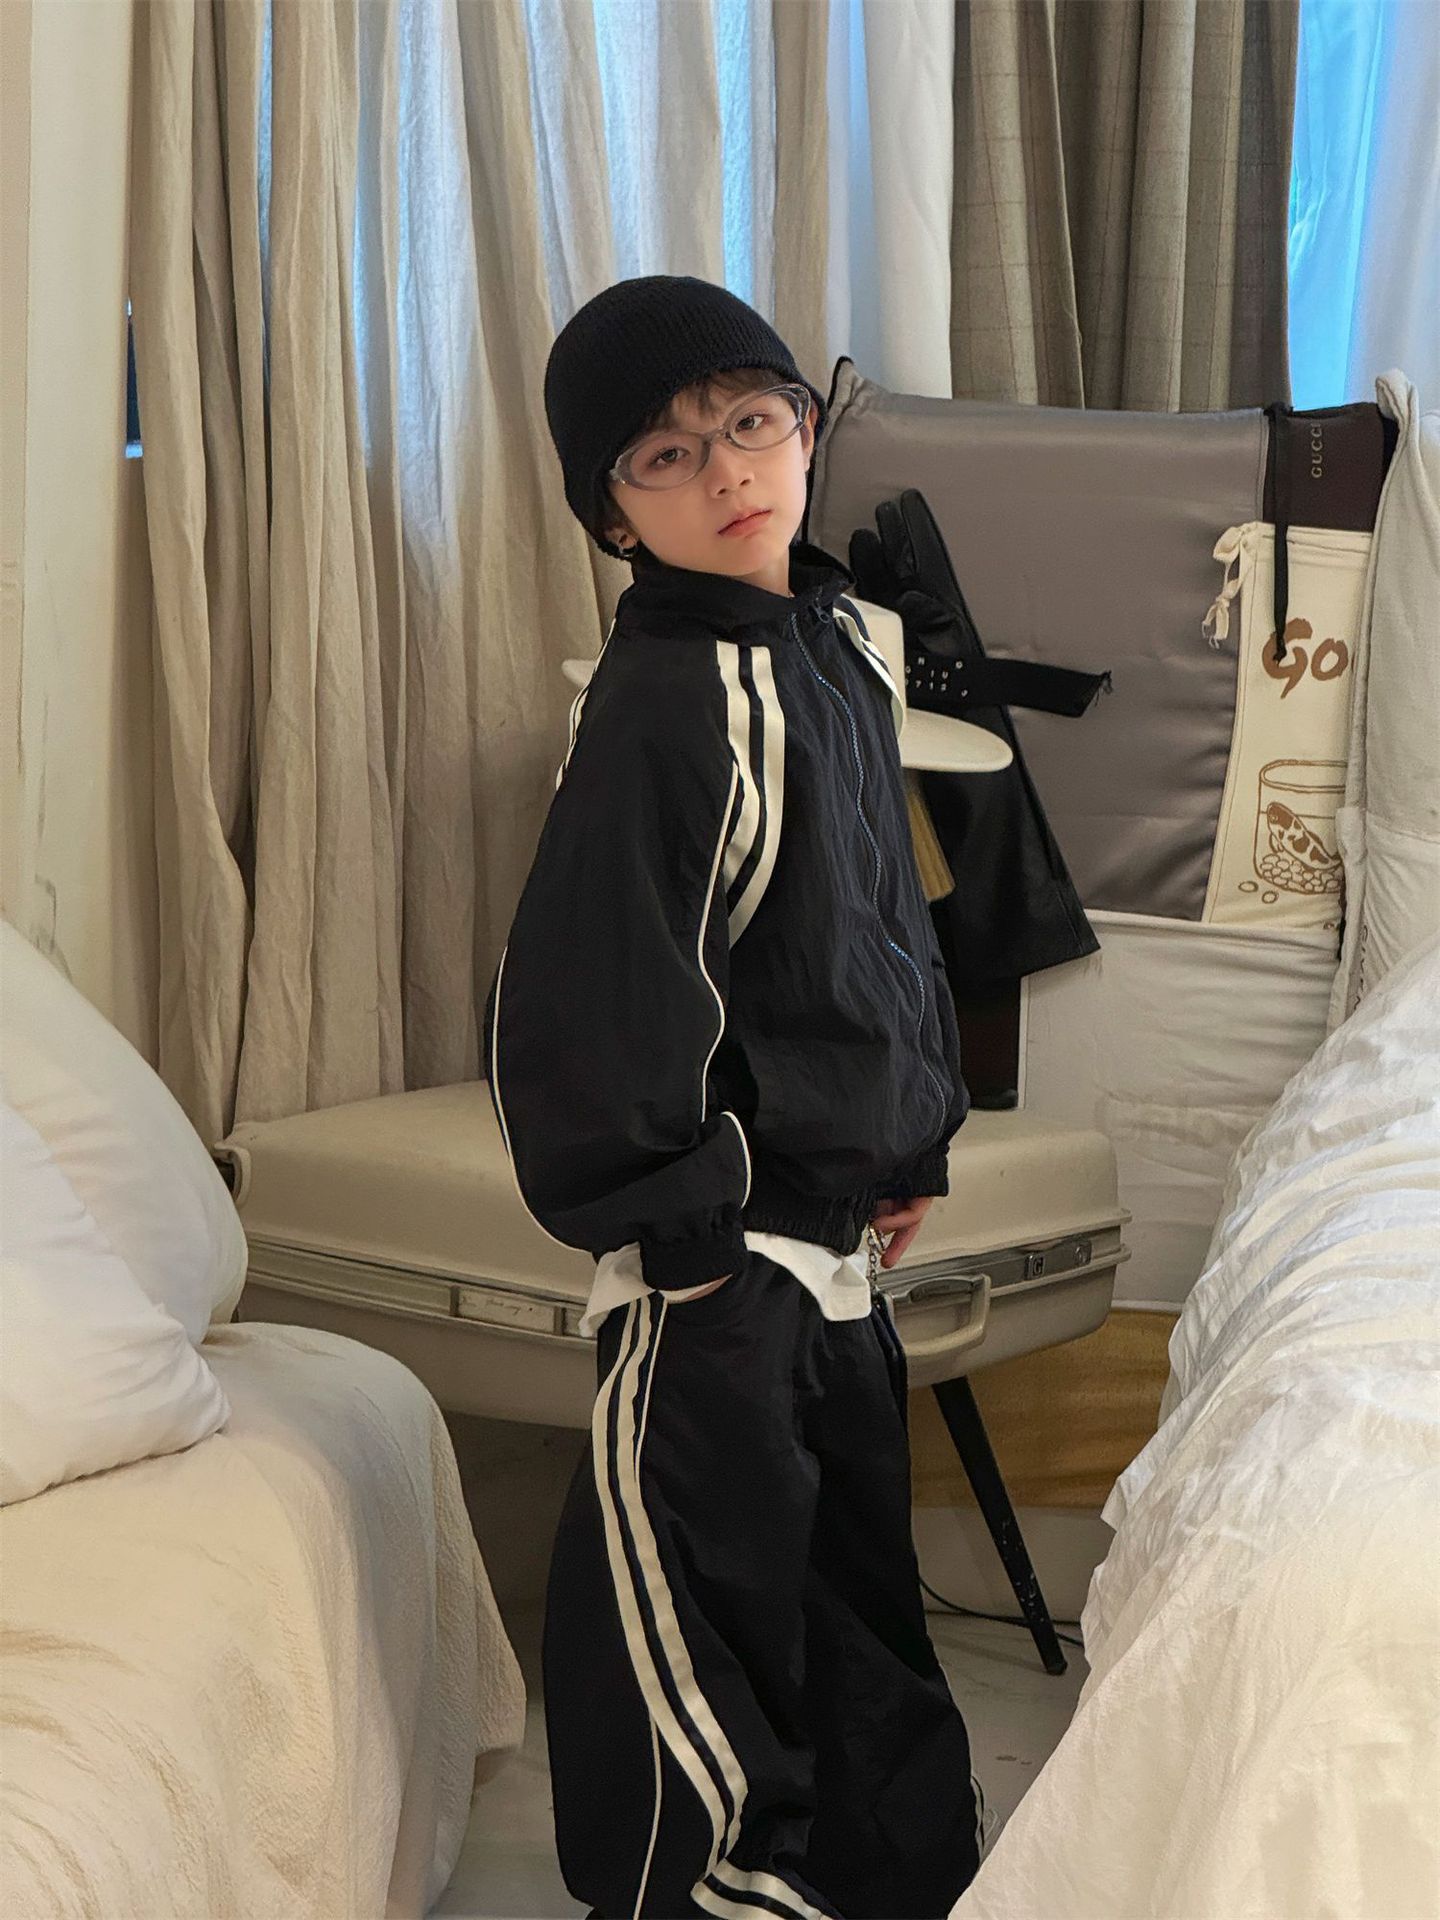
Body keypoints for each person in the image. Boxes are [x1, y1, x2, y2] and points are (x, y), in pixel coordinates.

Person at [483, 274, 981, 1920]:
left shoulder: (833, 650)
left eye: (750, 423)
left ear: (806, 430)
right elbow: (587, 1003)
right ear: (614, 516)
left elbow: (872, 933)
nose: (726, 471)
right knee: (697, 1655)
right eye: (666, 455)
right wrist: (684, 1242)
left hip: (836, 1249)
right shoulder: (664, 709)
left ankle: (898, 1887)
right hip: (724, 1267)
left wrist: (910, 1142)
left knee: (855, 1617)